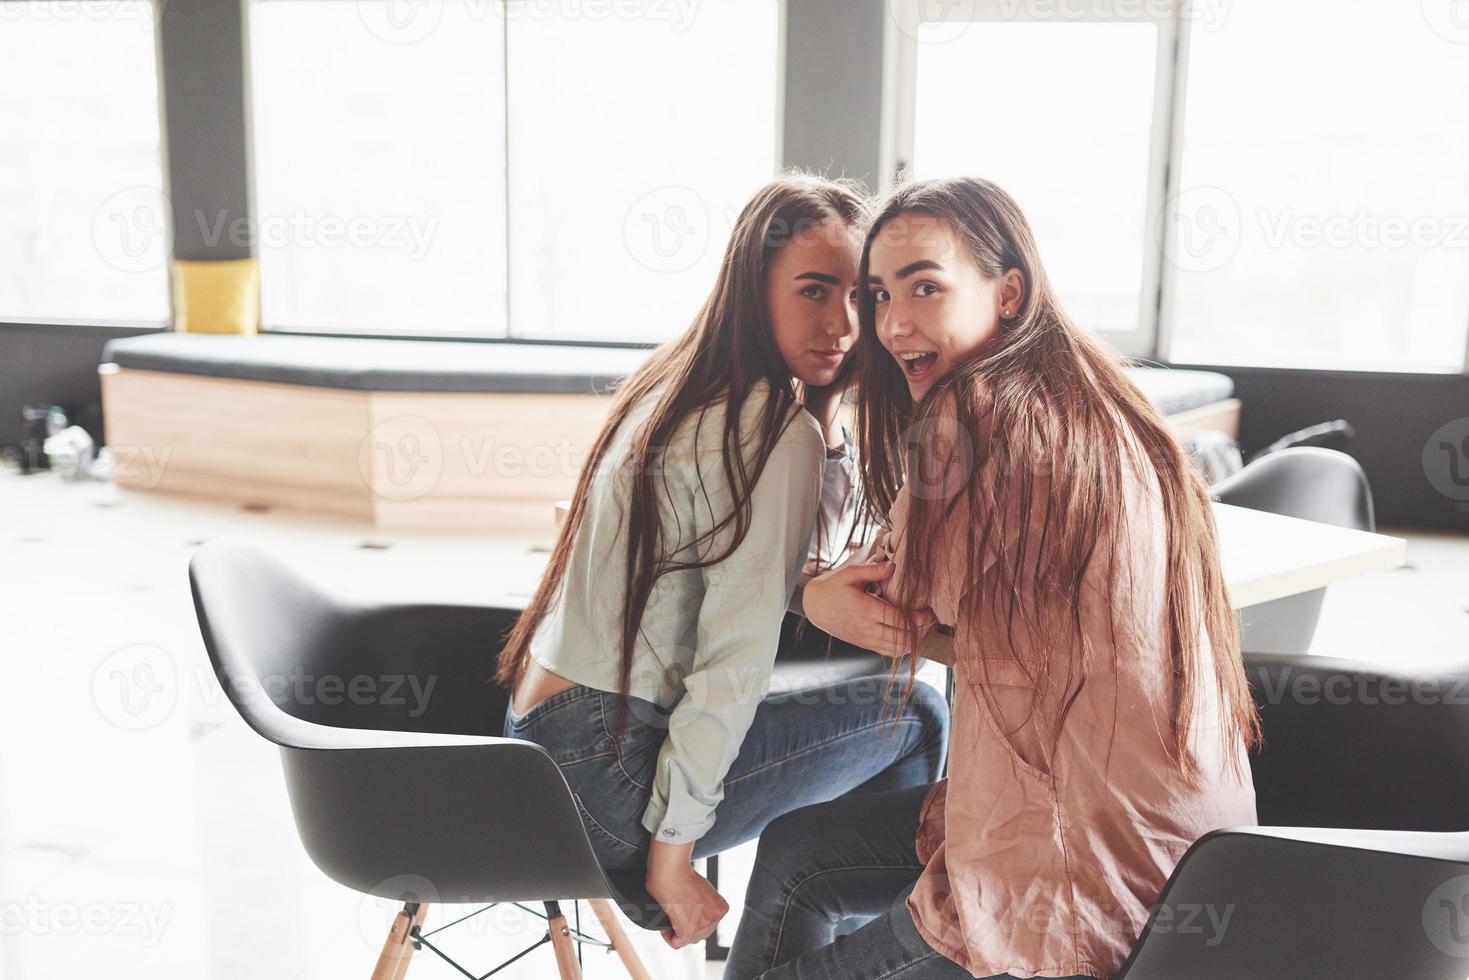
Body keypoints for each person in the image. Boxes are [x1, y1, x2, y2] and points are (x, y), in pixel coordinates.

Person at [724, 177, 1261, 980]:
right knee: (801, 851)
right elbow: (977, 616)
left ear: (1007, 293)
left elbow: (887, 604)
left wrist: (809, 590)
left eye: (926, 287)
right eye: (878, 295)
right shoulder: (1092, 403)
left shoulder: (971, 416)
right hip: (1189, 852)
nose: (891, 323)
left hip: (1064, 881)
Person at [497, 175, 949, 951]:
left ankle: (804, 921)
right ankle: (863, 954)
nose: (844, 323)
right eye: (813, 291)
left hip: (538, 748)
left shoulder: (674, 388)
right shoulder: (772, 433)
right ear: (754, 291)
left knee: (848, 702)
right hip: (609, 779)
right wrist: (672, 855)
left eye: (861, 296)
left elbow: (782, 555)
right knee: (914, 713)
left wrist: (827, 407)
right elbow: (729, 666)